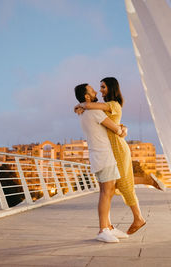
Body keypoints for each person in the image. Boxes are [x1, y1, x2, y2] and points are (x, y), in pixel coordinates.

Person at [75, 77, 150, 235]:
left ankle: (136, 218)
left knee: (123, 184)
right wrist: (122, 128)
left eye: (103, 87)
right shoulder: (97, 109)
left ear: (111, 88)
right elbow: (107, 120)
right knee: (114, 187)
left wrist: (82, 105)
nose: (99, 90)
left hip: (117, 149)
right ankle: (108, 226)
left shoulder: (110, 105)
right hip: (110, 150)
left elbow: (93, 108)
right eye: (97, 88)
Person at [74, 83, 129, 243]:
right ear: (87, 97)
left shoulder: (84, 113)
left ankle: (109, 227)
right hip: (104, 156)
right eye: (92, 90)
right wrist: (124, 129)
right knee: (107, 192)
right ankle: (103, 230)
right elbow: (116, 129)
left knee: (108, 192)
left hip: (97, 156)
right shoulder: (95, 112)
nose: (96, 91)